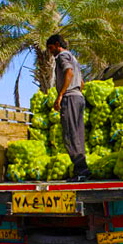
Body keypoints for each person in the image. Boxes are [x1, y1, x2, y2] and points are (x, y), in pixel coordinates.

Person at [46, 34, 91, 182]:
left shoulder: (62, 56)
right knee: (77, 134)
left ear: (57, 44)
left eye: (51, 48)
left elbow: (69, 72)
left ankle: (81, 171)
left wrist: (60, 95)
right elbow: (81, 81)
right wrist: (77, 92)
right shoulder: (73, 57)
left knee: (70, 135)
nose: (50, 52)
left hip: (70, 98)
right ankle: (83, 170)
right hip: (78, 97)